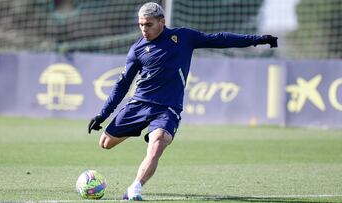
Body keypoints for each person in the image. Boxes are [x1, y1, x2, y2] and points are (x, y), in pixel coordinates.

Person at [88, 2, 278, 201]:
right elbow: (122, 84)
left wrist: (258, 39)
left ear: (162, 22)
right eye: (141, 24)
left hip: (168, 109)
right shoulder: (137, 49)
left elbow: (220, 39)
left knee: (157, 144)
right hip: (139, 104)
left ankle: (134, 189)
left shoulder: (183, 37)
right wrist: (103, 113)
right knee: (105, 143)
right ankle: (143, 129)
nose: (144, 29)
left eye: (149, 24)